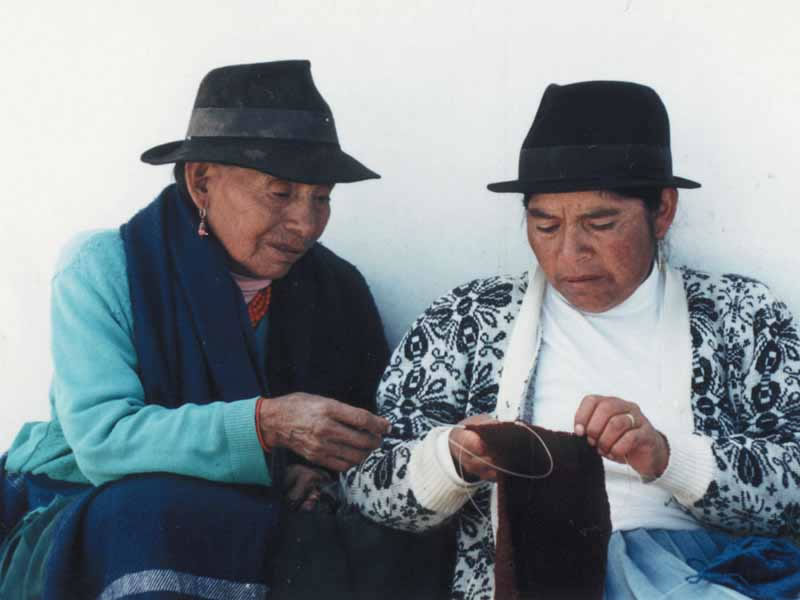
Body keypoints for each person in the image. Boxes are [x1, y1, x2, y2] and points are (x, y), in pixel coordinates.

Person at [343, 81, 800, 599]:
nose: (569, 254)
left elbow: (794, 482)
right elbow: (364, 481)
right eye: (545, 226)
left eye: (600, 224)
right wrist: (452, 460)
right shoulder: (468, 317)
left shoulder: (740, 315)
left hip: (703, 572)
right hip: (536, 578)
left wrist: (668, 458)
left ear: (663, 211)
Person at [0, 60, 391, 599]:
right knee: (147, 513)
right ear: (202, 181)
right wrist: (266, 426)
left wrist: (312, 474)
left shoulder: (337, 291)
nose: (306, 223)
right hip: (83, 498)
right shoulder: (104, 267)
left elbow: (369, 435)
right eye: (280, 193)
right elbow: (104, 443)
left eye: (320, 197)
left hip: (232, 512)